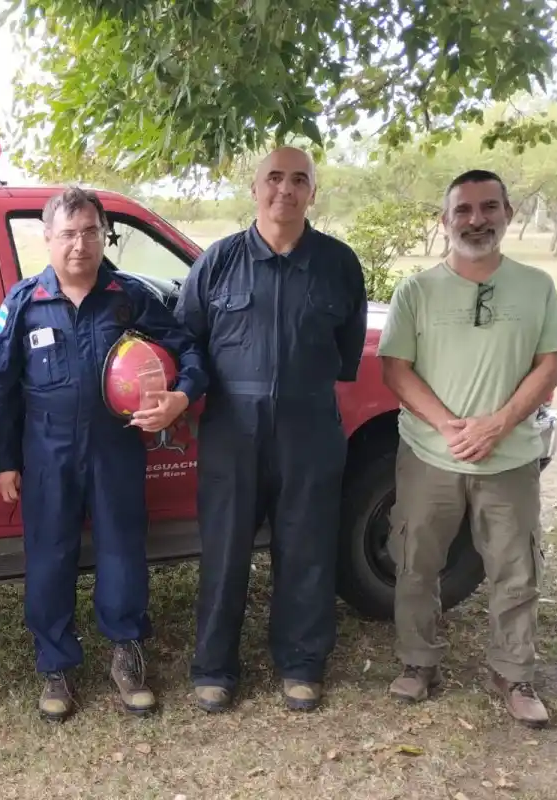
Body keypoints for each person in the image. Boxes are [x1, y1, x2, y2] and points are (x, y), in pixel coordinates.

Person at [0, 186, 208, 721]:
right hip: (46, 448)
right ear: (48, 238)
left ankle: (126, 653)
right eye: (67, 233)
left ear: (104, 234)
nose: (79, 244)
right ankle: (55, 666)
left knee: (122, 550)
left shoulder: (128, 297)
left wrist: (179, 398)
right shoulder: (23, 303)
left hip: (114, 445)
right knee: (49, 555)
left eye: (89, 232)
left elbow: (189, 349)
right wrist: (4, 460)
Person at [174, 146, 368, 713]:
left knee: (307, 547)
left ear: (313, 192)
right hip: (233, 429)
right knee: (225, 549)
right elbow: (189, 345)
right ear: (255, 188)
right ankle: (214, 666)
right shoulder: (217, 262)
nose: (286, 189)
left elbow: (345, 352)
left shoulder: (338, 263)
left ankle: (302, 663)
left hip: (310, 427)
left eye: (299, 179)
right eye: (275, 178)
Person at [378, 169, 557, 728]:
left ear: (507, 213)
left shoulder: (537, 288)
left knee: (516, 569)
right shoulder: (416, 290)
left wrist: (499, 424)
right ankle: (417, 663)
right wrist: (453, 426)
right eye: (463, 209)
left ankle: (513, 672)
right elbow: (395, 369)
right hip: (429, 456)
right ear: (445, 220)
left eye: (489, 207)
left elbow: (550, 365)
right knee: (415, 562)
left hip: (509, 459)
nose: (476, 219)